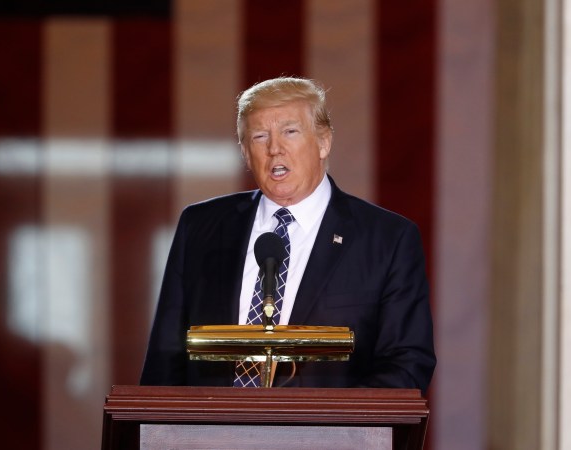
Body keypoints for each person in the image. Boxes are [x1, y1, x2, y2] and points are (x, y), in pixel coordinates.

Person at [140, 77, 436, 393]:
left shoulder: (387, 239)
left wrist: (325, 427)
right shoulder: (200, 226)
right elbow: (165, 358)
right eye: (259, 136)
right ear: (244, 151)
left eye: (290, 132)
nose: (275, 148)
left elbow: (406, 363)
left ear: (324, 142)